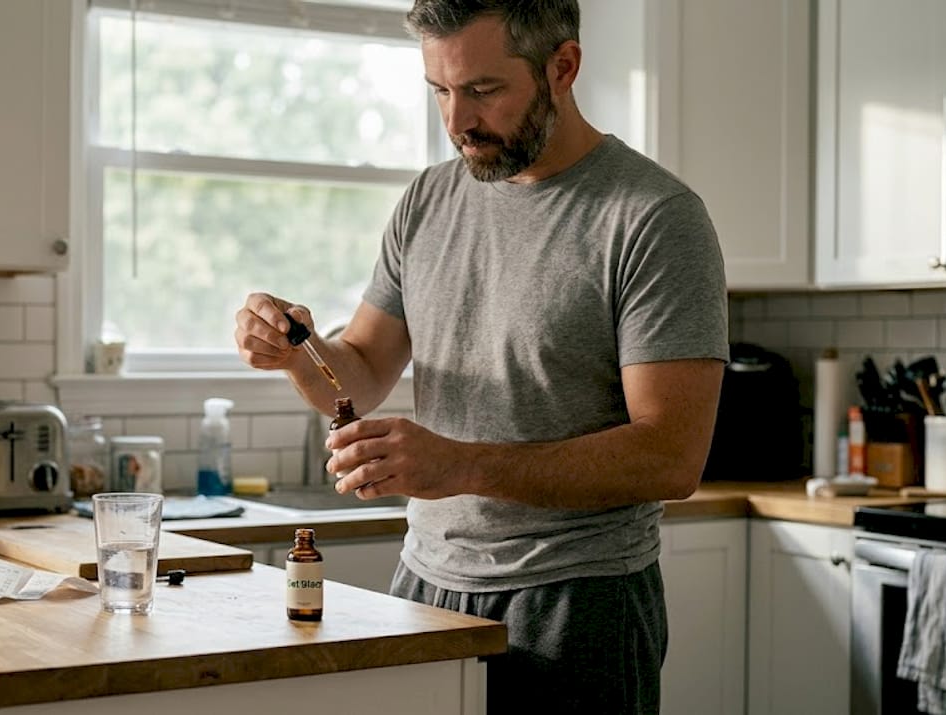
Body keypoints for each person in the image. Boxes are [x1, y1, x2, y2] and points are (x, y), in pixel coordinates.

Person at [233, 1, 727, 712]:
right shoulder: (427, 201)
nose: (456, 120)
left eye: (484, 90)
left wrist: (461, 463)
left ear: (563, 67)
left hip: (579, 597)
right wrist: (295, 351)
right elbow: (364, 370)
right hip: (426, 584)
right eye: (439, 89)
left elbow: (672, 455)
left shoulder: (652, 217)